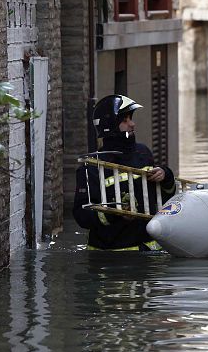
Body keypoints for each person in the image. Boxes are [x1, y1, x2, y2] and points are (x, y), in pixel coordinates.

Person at [73, 95, 177, 250]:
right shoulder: (91, 168)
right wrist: (114, 213)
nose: (132, 124)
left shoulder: (143, 153)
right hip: (110, 260)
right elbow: (82, 217)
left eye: (131, 119)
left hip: (148, 255)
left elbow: (165, 199)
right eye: (125, 120)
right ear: (110, 125)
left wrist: (166, 176)